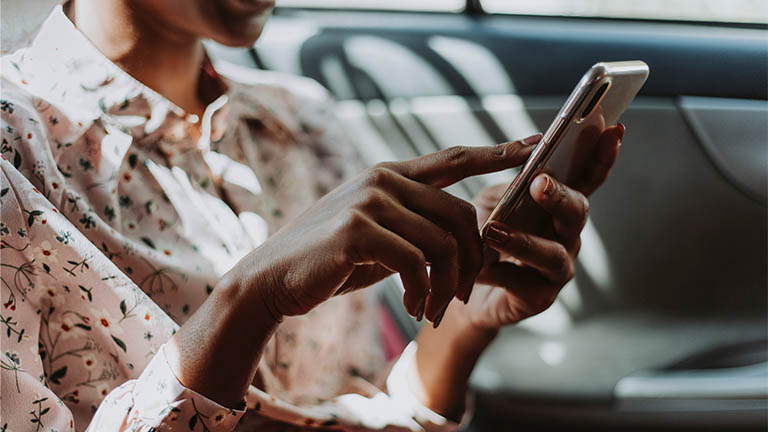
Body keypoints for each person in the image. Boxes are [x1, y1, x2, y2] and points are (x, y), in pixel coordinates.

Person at [0, 0, 624, 430]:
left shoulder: (305, 125)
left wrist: (462, 326)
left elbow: (362, 407)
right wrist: (250, 299)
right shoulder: (17, 152)